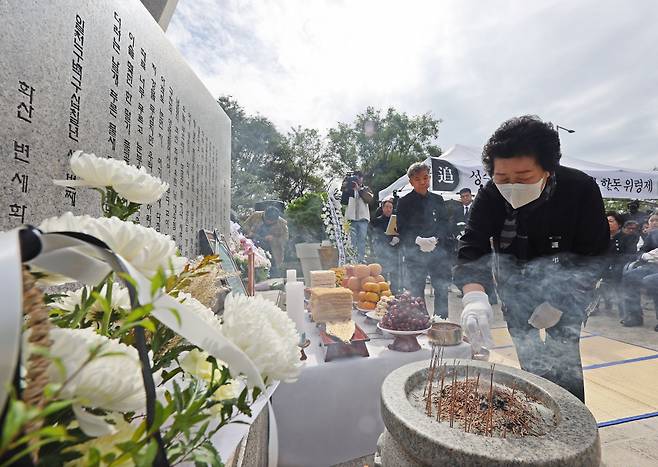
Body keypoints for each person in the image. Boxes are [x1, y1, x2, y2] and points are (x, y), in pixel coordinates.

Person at [453, 115, 609, 402]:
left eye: (523, 178)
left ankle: (571, 429)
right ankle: (534, 418)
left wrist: (561, 301)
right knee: (530, 364)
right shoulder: (490, 195)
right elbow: (472, 245)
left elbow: (595, 254)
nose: (511, 186)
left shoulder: (580, 189)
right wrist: (474, 298)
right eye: (502, 178)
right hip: (515, 288)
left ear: (548, 169)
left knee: (565, 364)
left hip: (570, 290)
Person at [396, 162, 451, 318]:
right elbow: (401, 227)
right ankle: (420, 320)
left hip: (437, 251)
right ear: (411, 182)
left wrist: (436, 238)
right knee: (416, 288)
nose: (422, 182)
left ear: (430, 178)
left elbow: (444, 222)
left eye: (426, 178)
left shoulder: (438, 199)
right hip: (415, 252)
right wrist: (417, 240)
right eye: (418, 179)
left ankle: (441, 320)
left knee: (441, 287)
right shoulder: (404, 202)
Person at [620, 213, 658, 330]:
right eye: (652, 220)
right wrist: (644, 256)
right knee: (630, 276)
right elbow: (641, 252)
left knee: (652, 281)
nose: (655, 223)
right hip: (652, 266)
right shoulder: (652, 235)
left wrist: (649, 256)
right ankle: (634, 315)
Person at [599, 212, 637, 312]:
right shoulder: (600, 238)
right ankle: (593, 305)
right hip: (604, 264)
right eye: (605, 222)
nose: (608, 224)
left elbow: (631, 255)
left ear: (619, 224)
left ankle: (624, 308)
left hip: (620, 265)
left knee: (616, 271)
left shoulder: (627, 237)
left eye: (611, 221)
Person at [243, 206, 289, 277]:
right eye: (267, 220)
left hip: (272, 251)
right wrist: (249, 232)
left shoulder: (282, 223)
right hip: (253, 245)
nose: (268, 222)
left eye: (271, 222)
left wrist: (274, 239)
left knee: (272, 273)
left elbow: (285, 239)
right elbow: (245, 225)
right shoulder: (256, 215)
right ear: (264, 214)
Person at [341, 171, 373, 262]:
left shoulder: (366, 189)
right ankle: (351, 260)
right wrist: (345, 187)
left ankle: (361, 259)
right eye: (356, 177)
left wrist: (359, 190)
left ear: (362, 179)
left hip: (363, 219)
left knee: (362, 240)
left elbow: (369, 199)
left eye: (360, 177)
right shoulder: (349, 189)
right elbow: (343, 202)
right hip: (351, 219)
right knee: (351, 241)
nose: (358, 179)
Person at [369, 199, 400, 291]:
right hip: (382, 250)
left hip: (394, 250)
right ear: (382, 208)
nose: (388, 209)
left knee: (395, 273)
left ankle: (395, 292)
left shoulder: (396, 220)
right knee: (383, 273)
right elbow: (376, 234)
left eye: (390, 207)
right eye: (386, 207)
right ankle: (383, 291)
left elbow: (401, 231)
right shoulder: (377, 221)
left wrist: (398, 239)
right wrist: (389, 239)